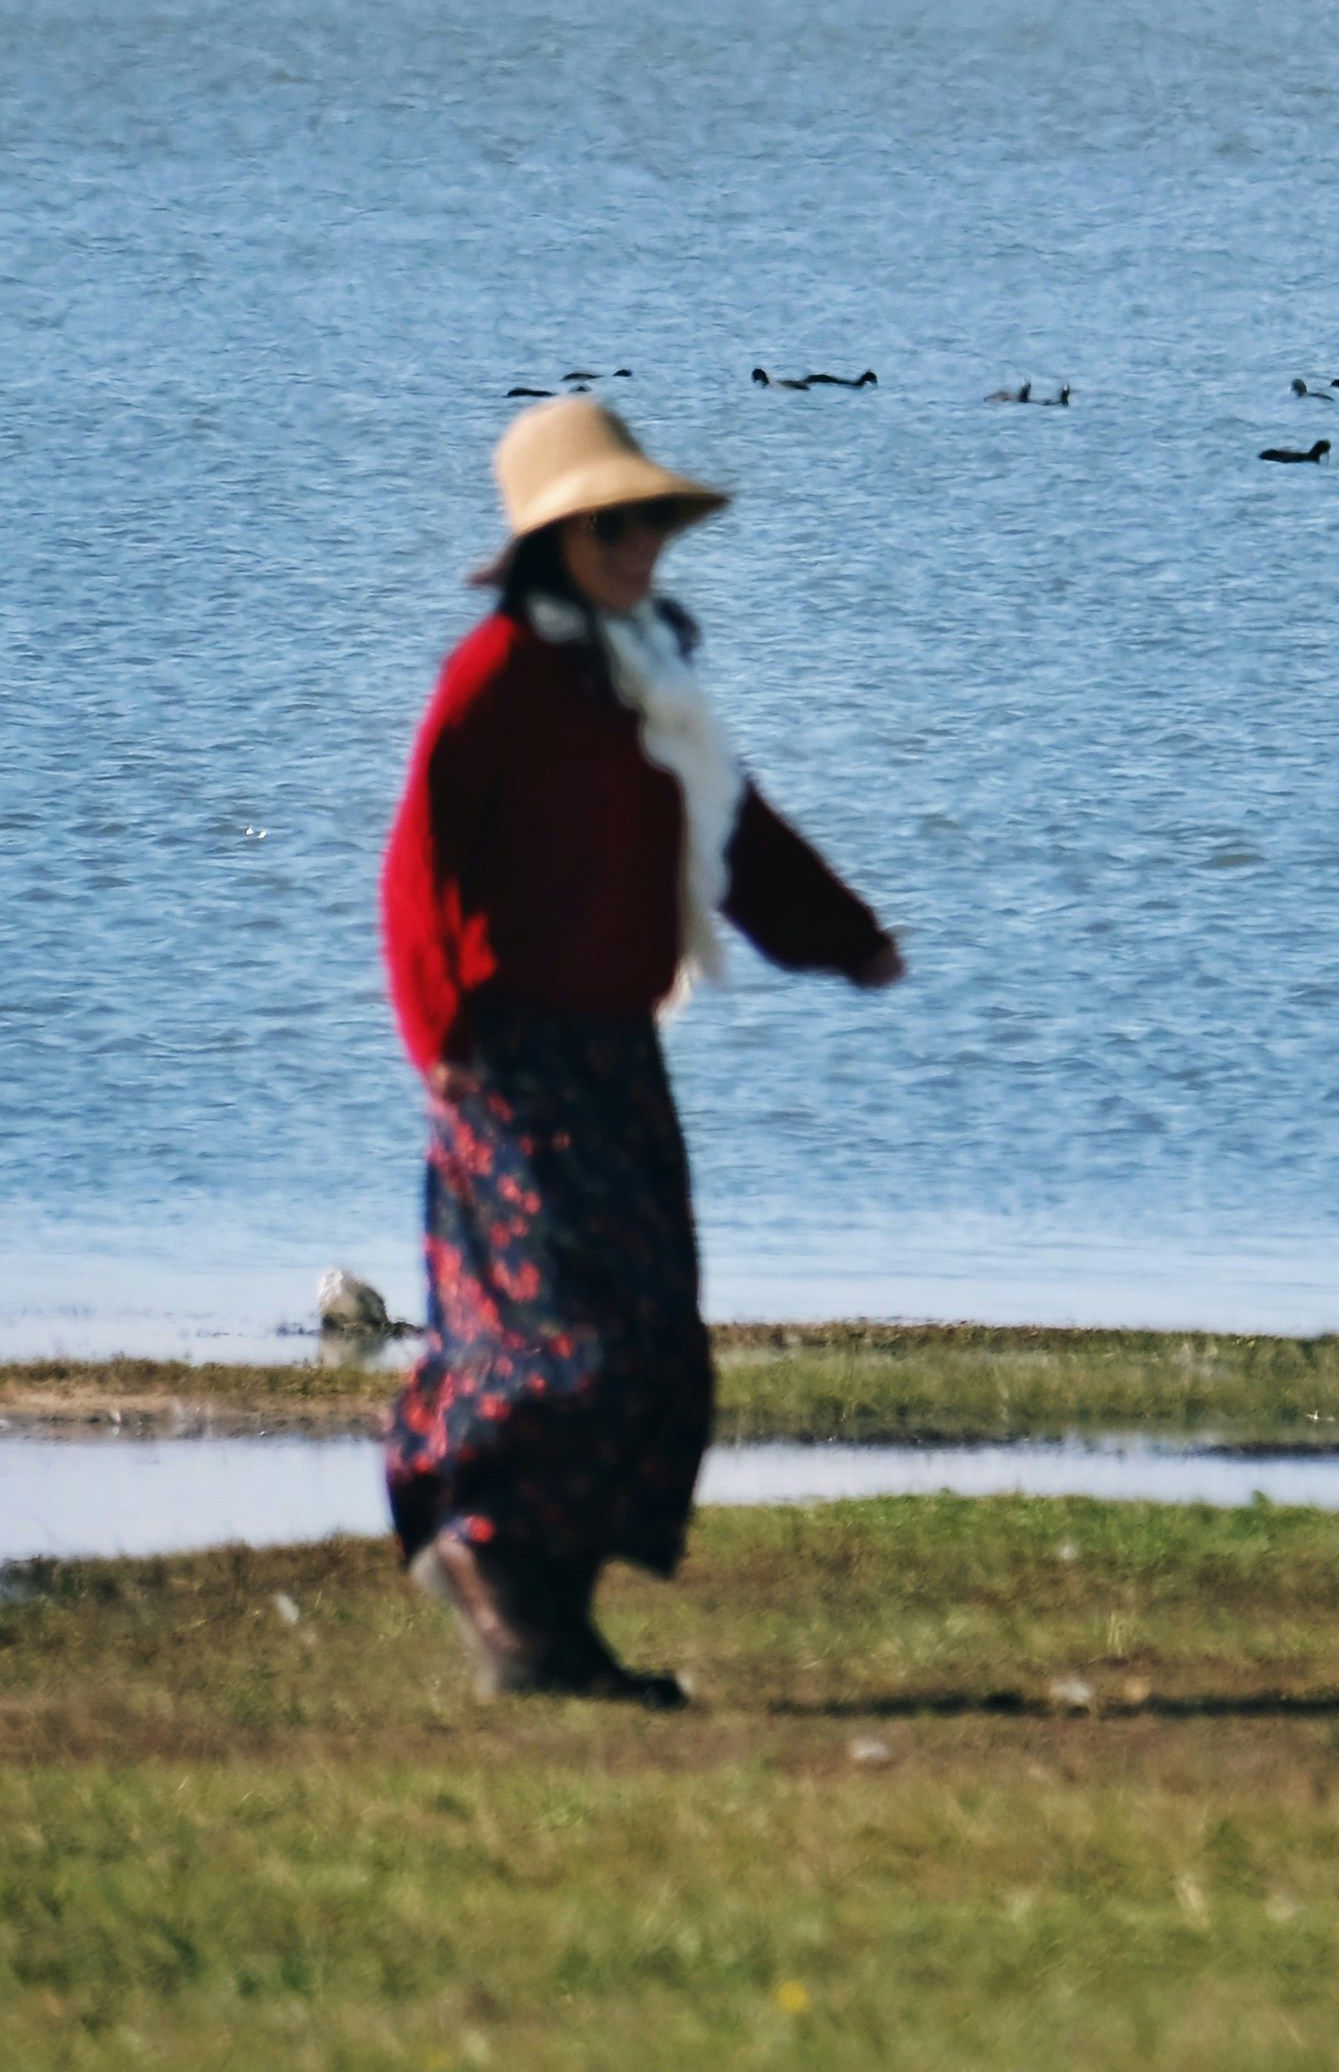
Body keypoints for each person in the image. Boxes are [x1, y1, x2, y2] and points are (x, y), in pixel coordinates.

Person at [377, 396, 903, 1702]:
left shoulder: (648, 679)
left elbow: (734, 839)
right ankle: (484, 1554)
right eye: (612, 522)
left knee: (655, 1340)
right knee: (559, 1342)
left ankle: (547, 1618)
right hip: (504, 1064)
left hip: (616, 1060)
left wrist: (843, 938)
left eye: (651, 519)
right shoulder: (492, 678)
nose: (639, 542)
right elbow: (417, 867)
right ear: (554, 539)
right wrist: (440, 1038)